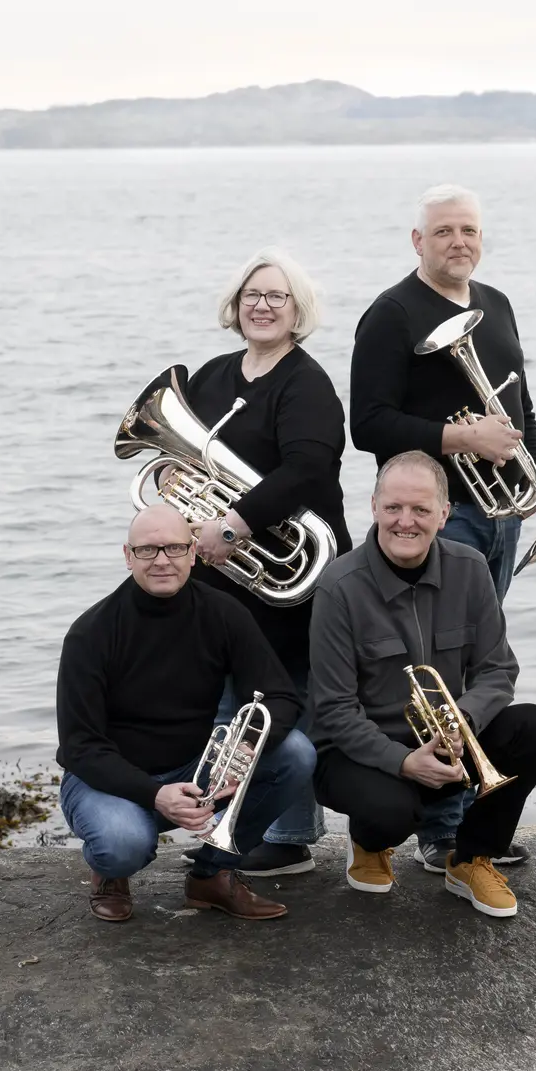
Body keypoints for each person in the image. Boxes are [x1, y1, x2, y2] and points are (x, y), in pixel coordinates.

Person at [348, 183, 536, 870]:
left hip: (499, 514)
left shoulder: (498, 305)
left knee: (479, 663)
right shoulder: (390, 314)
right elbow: (366, 424)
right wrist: (465, 443)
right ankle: (440, 831)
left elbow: (515, 402)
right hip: (432, 519)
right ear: (417, 241)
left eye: (468, 230)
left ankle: (466, 823)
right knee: (428, 669)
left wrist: (533, 472)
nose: (458, 241)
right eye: (443, 231)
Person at [307, 451, 536, 919]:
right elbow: (334, 710)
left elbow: (498, 669)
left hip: (448, 740)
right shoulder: (339, 585)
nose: (406, 521)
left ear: (444, 515)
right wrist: (403, 762)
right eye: (394, 508)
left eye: (421, 510)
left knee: (533, 727)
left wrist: (464, 721)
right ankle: (369, 842)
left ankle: (470, 859)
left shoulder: (471, 568)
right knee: (389, 813)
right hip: (363, 756)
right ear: (374, 507)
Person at [178, 247, 352, 879]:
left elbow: (307, 468)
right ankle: (228, 824)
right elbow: (188, 465)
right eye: (252, 295)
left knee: (288, 694)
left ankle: (291, 833)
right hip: (226, 571)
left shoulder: (307, 382)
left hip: (291, 568)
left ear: (297, 310)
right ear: (235, 305)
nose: (262, 306)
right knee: (229, 701)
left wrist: (233, 523)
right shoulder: (214, 376)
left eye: (277, 296)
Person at [56, 503, 315, 922]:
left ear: (193, 553)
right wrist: (154, 795)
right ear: (127, 556)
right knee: (122, 845)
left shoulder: (224, 613)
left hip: (192, 767)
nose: (162, 560)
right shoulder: (91, 633)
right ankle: (109, 872)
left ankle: (213, 875)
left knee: (297, 753)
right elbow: (80, 747)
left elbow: (281, 697)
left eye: (174, 548)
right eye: (148, 550)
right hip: (106, 780)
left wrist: (242, 753)